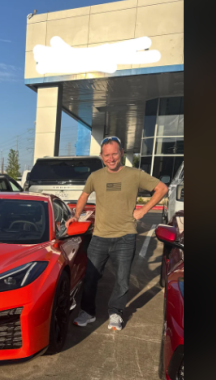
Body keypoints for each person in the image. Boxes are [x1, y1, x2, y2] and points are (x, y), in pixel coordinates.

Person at [65, 136, 168, 331]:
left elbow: (162, 188)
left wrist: (143, 210)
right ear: (101, 156)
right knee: (90, 278)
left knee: (122, 279)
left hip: (125, 237)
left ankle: (115, 312)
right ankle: (87, 312)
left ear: (121, 153)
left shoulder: (135, 174)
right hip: (99, 237)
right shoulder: (95, 177)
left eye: (114, 154)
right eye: (107, 155)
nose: (111, 158)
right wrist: (76, 216)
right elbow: (83, 196)